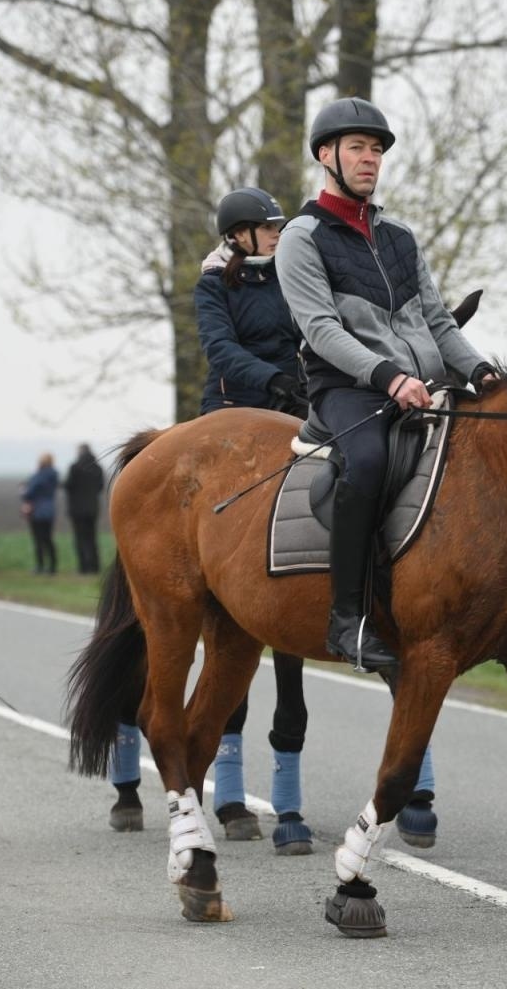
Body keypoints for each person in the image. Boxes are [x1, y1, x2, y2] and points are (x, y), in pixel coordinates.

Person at [110, 186, 333, 851]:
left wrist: (313, 376)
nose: (275, 234)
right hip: (233, 415)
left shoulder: (293, 276)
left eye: (276, 227)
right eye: (265, 228)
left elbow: (310, 335)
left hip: (296, 405)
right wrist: (274, 382)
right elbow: (222, 351)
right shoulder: (214, 286)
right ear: (238, 234)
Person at [276, 97, 498, 672]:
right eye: (357, 148)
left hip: (421, 383)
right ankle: (347, 620)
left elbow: (439, 323)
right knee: (368, 463)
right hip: (348, 387)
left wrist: (480, 371)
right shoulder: (302, 237)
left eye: (376, 150)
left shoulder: (400, 236)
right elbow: (321, 329)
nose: (370, 159)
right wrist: (388, 375)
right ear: (326, 155)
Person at [62, 443, 105, 575]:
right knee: (92, 538)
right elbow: (100, 487)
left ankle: (84, 567)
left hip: (77, 509)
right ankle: (95, 566)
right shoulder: (98, 468)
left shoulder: (75, 467)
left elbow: (68, 485)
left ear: (80, 452)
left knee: (80, 538)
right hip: (92, 508)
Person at [20, 453, 59, 575]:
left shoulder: (39, 476)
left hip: (37, 510)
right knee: (48, 539)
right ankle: (52, 566)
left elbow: (29, 492)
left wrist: (22, 491)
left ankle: (40, 566)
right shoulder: (54, 474)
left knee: (38, 540)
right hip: (49, 510)